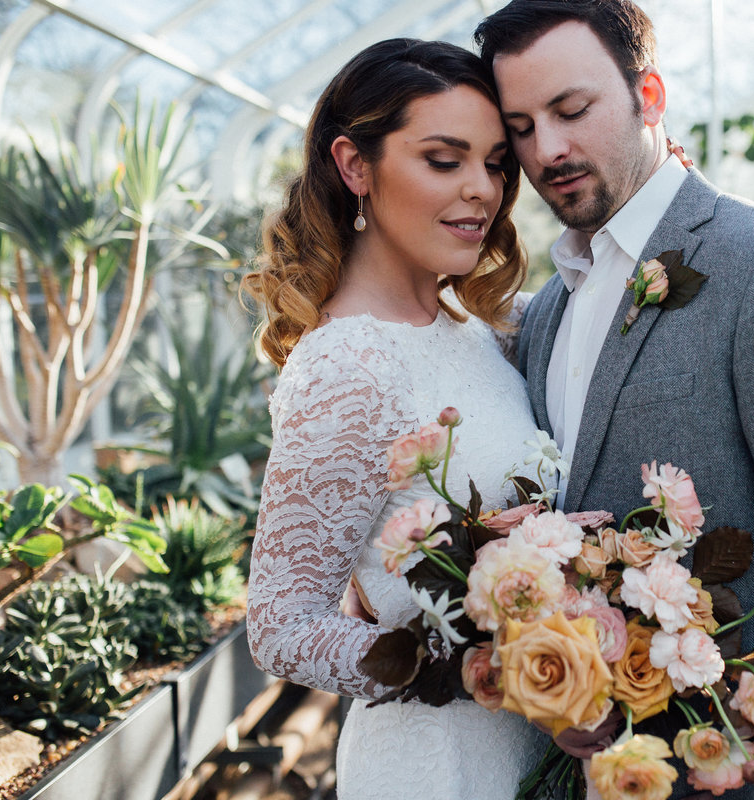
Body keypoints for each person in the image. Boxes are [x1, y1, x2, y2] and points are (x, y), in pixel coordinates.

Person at [473, 2, 754, 798]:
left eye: (572, 110)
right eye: (521, 125)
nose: (548, 149)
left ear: (650, 96)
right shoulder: (544, 310)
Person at [242, 38, 543, 800]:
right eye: (445, 160)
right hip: (435, 764)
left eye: (497, 162)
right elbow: (281, 626)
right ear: (355, 167)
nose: (483, 189)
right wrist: (468, 666)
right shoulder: (347, 367)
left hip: (532, 749)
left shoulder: (477, 332)